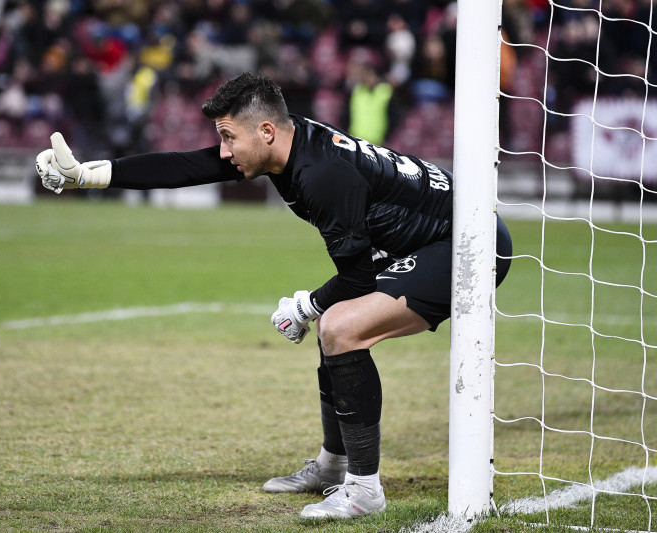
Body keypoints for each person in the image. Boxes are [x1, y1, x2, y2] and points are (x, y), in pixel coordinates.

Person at [34, 72, 513, 520]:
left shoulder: (322, 174)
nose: (222, 151)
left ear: (265, 131)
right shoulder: (289, 143)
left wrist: (305, 307)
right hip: (440, 237)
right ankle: (333, 466)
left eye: (228, 138)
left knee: (340, 327)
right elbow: (191, 165)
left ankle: (364, 489)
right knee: (336, 325)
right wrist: (89, 175)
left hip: (470, 244)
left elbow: (357, 280)